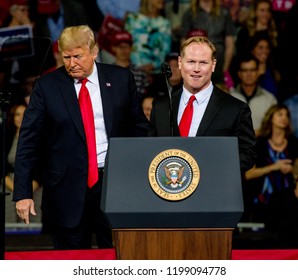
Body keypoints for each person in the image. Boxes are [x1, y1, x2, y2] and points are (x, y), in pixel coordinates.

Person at [12, 25, 148, 250]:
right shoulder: (47, 86)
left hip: (115, 185)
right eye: (66, 57)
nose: (71, 63)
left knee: (119, 257)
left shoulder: (121, 79)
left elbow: (139, 130)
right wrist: (23, 192)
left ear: (94, 52)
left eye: (77, 56)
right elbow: (28, 140)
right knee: (71, 263)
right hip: (66, 191)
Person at [148, 36, 256, 174]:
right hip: (169, 188)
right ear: (180, 63)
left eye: (203, 63)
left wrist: (207, 166)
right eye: (191, 62)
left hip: (213, 189)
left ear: (213, 65)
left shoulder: (235, 109)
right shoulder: (160, 107)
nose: (196, 69)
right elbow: (150, 151)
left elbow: (248, 155)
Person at [243, 104, 298, 227]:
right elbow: (248, 174)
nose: (284, 118)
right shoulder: (260, 143)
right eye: (280, 114)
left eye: (286, 115)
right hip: (263, 198)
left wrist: (291, 170)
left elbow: (296, 173)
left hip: (289, 199)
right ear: (271, 118)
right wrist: (274, 167)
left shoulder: (294, 143)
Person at [180, 0, 236, 90]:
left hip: (220, 63)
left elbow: (230, 43)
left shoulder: (224, 13)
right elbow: (184, 43)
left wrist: (225, 69)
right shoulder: (189, 14)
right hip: (198, 63)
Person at [230, 54, 277, 137]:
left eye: (252, 70)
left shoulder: (270, 99)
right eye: (245, 70)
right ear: (239, 73)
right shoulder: (229, 97)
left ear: (258, 72)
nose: (249, 74)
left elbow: (274, 127)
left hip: (262, 146)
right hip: (234, 146)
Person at [111, 30, 150, 98]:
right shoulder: (106, 72)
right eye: (120, 47)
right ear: (113, 48)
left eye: (126, 47)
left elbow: (145, 99)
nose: (123, 50)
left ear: (131, 48)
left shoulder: (141, 73)